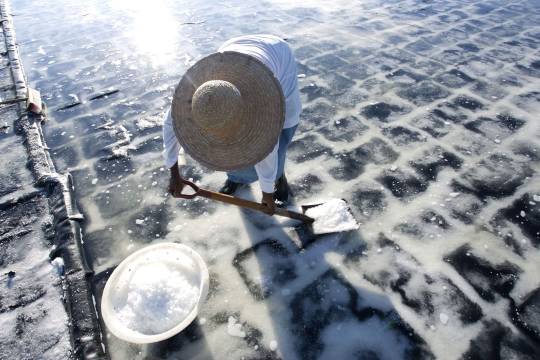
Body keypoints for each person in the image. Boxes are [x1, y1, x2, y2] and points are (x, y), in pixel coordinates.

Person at [163, 34, 301, 213]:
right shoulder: (196, 98)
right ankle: (237, 178)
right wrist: (174, 174)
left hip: (279, 56)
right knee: (235, 153)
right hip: (233, 52)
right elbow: (170, 131)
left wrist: (267, 193)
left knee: (282, 134)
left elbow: (268, 149)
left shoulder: (262, 109)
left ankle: (278, 177)